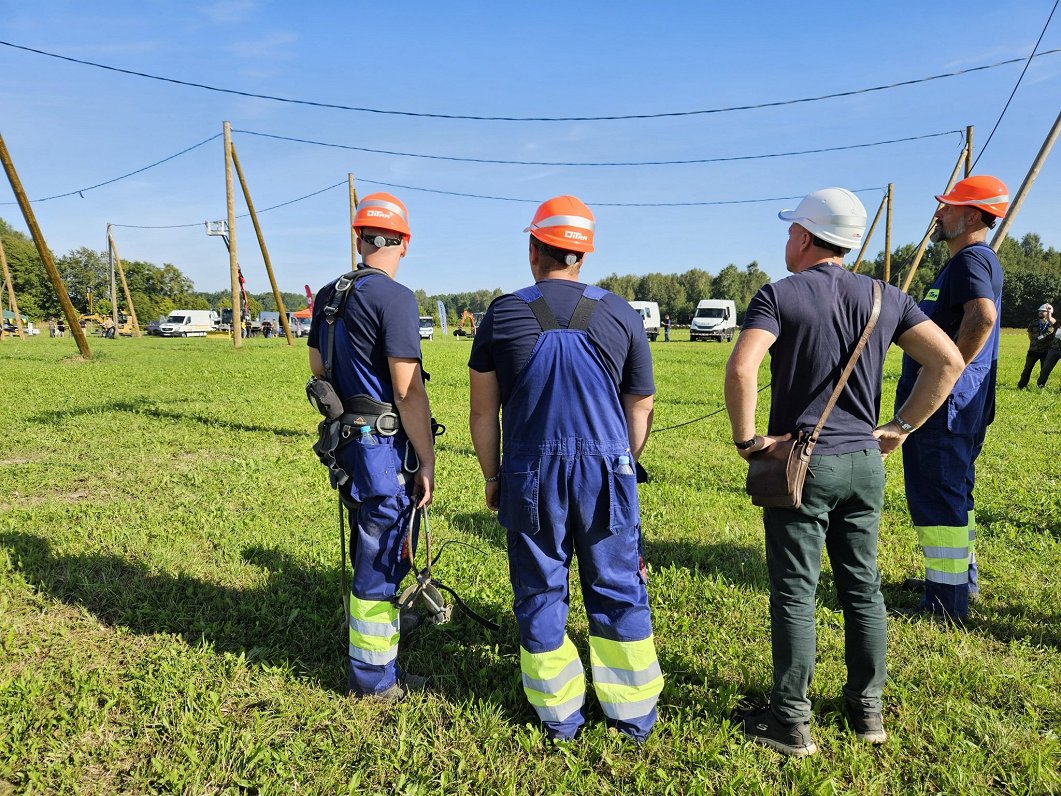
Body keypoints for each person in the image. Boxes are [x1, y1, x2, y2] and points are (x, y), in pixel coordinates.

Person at [724, 187, 964, 757]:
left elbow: (741, 368)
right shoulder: (887, 297)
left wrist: (749, 441)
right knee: (862, 587)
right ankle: (867, 711)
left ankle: (791, 722)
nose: (787, 240)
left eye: (790, 232)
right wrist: (900, 428)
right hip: (864, 463)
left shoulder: (778, 295)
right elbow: (948, 361)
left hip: (802, 466)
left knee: (795, 592)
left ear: (806, 237)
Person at [468, 195, 663, 743]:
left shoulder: (501, 314)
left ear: (534, 249)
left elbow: (483, 410)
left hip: (530, 474)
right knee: (618, 585)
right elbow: (640, 406)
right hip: (607, 468)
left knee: (539, 588)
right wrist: (624, 464)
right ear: (583, 255)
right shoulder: (622, 313)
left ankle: (559, 715)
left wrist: (492, 475)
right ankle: (631, 715)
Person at [308, 192, 436, 700]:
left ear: (359, 238)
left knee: (370, 541)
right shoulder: (396, 298)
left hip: (347, 443)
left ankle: (376, 658)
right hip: (384, 448)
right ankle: (374, 680)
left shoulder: (327, 295)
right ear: (403, 242)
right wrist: (426, 456)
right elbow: (406, 388)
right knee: (380, 559)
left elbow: (318, 369)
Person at [895, 175, 1008, 620]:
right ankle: (961, 580)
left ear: (975, 216)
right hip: (962, 406)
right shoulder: (973, 261)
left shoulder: (970, 262)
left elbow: (982, 316)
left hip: (945, 405)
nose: (939, 212)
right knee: (956, 491)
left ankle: (945, 604)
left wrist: (948, 369)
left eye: (949, 206)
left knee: (939, 497)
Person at [1017, 303, 1055, 389]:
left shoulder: (1053, 324)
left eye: (1043, 311)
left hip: (1046, 352)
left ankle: (1040, 387)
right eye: (1039, 311)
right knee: (1027, 369)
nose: (1040, 312)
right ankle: (1021, 386)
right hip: (1033, 351)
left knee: (1044, 371)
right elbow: (1030, 335)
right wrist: (1035, 343)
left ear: (1049, 312)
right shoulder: (1033, 322)